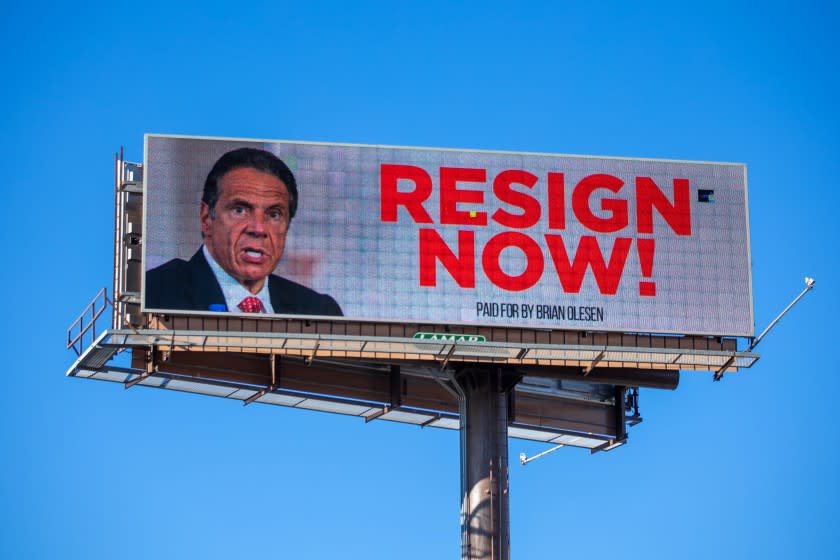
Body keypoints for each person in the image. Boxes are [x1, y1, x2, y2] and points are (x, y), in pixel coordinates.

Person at [145, 147, 342, 316]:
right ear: (206, 219)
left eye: (274, 215)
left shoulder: (319, 311)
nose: (258, 229)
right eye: (239, 210)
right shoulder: (155, 293)